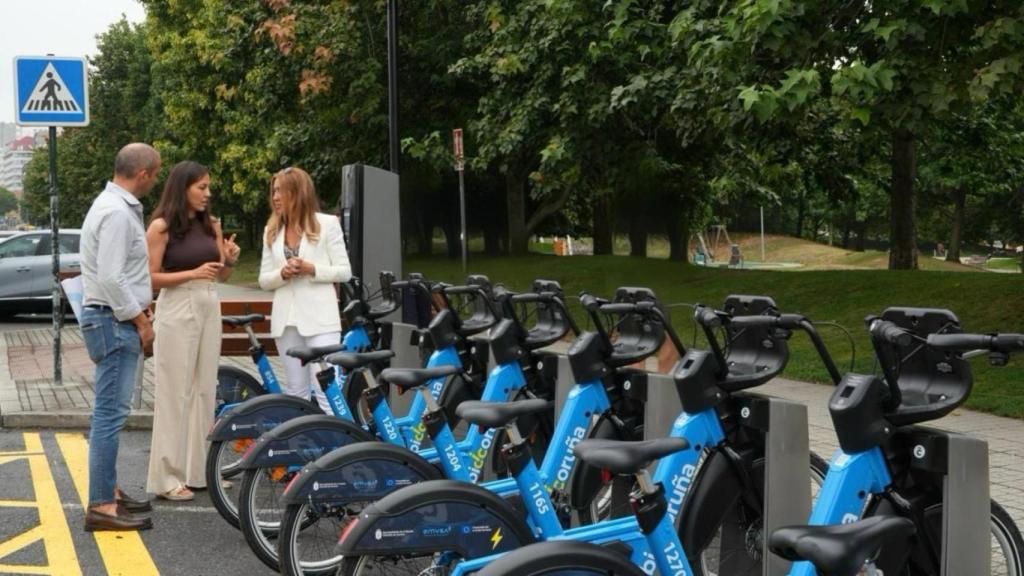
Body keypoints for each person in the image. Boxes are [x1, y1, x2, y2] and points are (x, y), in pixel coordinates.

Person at [145, 161, 241, 502]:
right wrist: (192, 273)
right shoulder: (161, 227)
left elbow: (221, 276)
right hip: (176, 304)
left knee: (204, 390)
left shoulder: (212, 224)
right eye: (201, 187)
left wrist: (228, 259)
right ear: (182, 187)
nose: (207, 193)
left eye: (208, 187)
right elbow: (149, 279)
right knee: (174, 392)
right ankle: (167, 476)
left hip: (207, 303)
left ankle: (199, 471)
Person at [79, 143, 162, 531]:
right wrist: (141, 320)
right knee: (109, 418)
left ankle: (108, 493)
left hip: (112, 320)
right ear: (142, 173)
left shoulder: (114, 206)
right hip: (114, 323)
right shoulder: (115, 213)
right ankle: (101, 505)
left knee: (109, 415)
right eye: (156, 173)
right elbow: (112, 277)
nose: (156, 179)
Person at [259, 167, 351, 412]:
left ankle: (339, 446)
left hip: (321, 320)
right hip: (286, 321)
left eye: (282, 191)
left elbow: (344, 271)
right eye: (274, 191)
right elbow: (264, 280)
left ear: (299, 193)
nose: (276, 197)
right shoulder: (271, 230)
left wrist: (311, 268)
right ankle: (302, 447)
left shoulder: (328, 224)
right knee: (295, 393)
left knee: (326, 391)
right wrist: (282, 273)